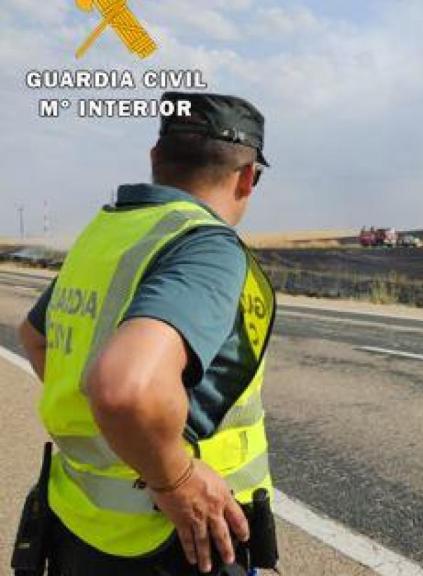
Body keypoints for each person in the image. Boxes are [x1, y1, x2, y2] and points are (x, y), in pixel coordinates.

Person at [16, 92, 277, 575]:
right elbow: (124, 388)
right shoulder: (206, 247)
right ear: (247, 178)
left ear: (156, 158)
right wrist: (174, 479)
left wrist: (115, 433)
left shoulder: (106, 235)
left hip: (78, 531)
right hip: (178, 541)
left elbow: (34, 336)